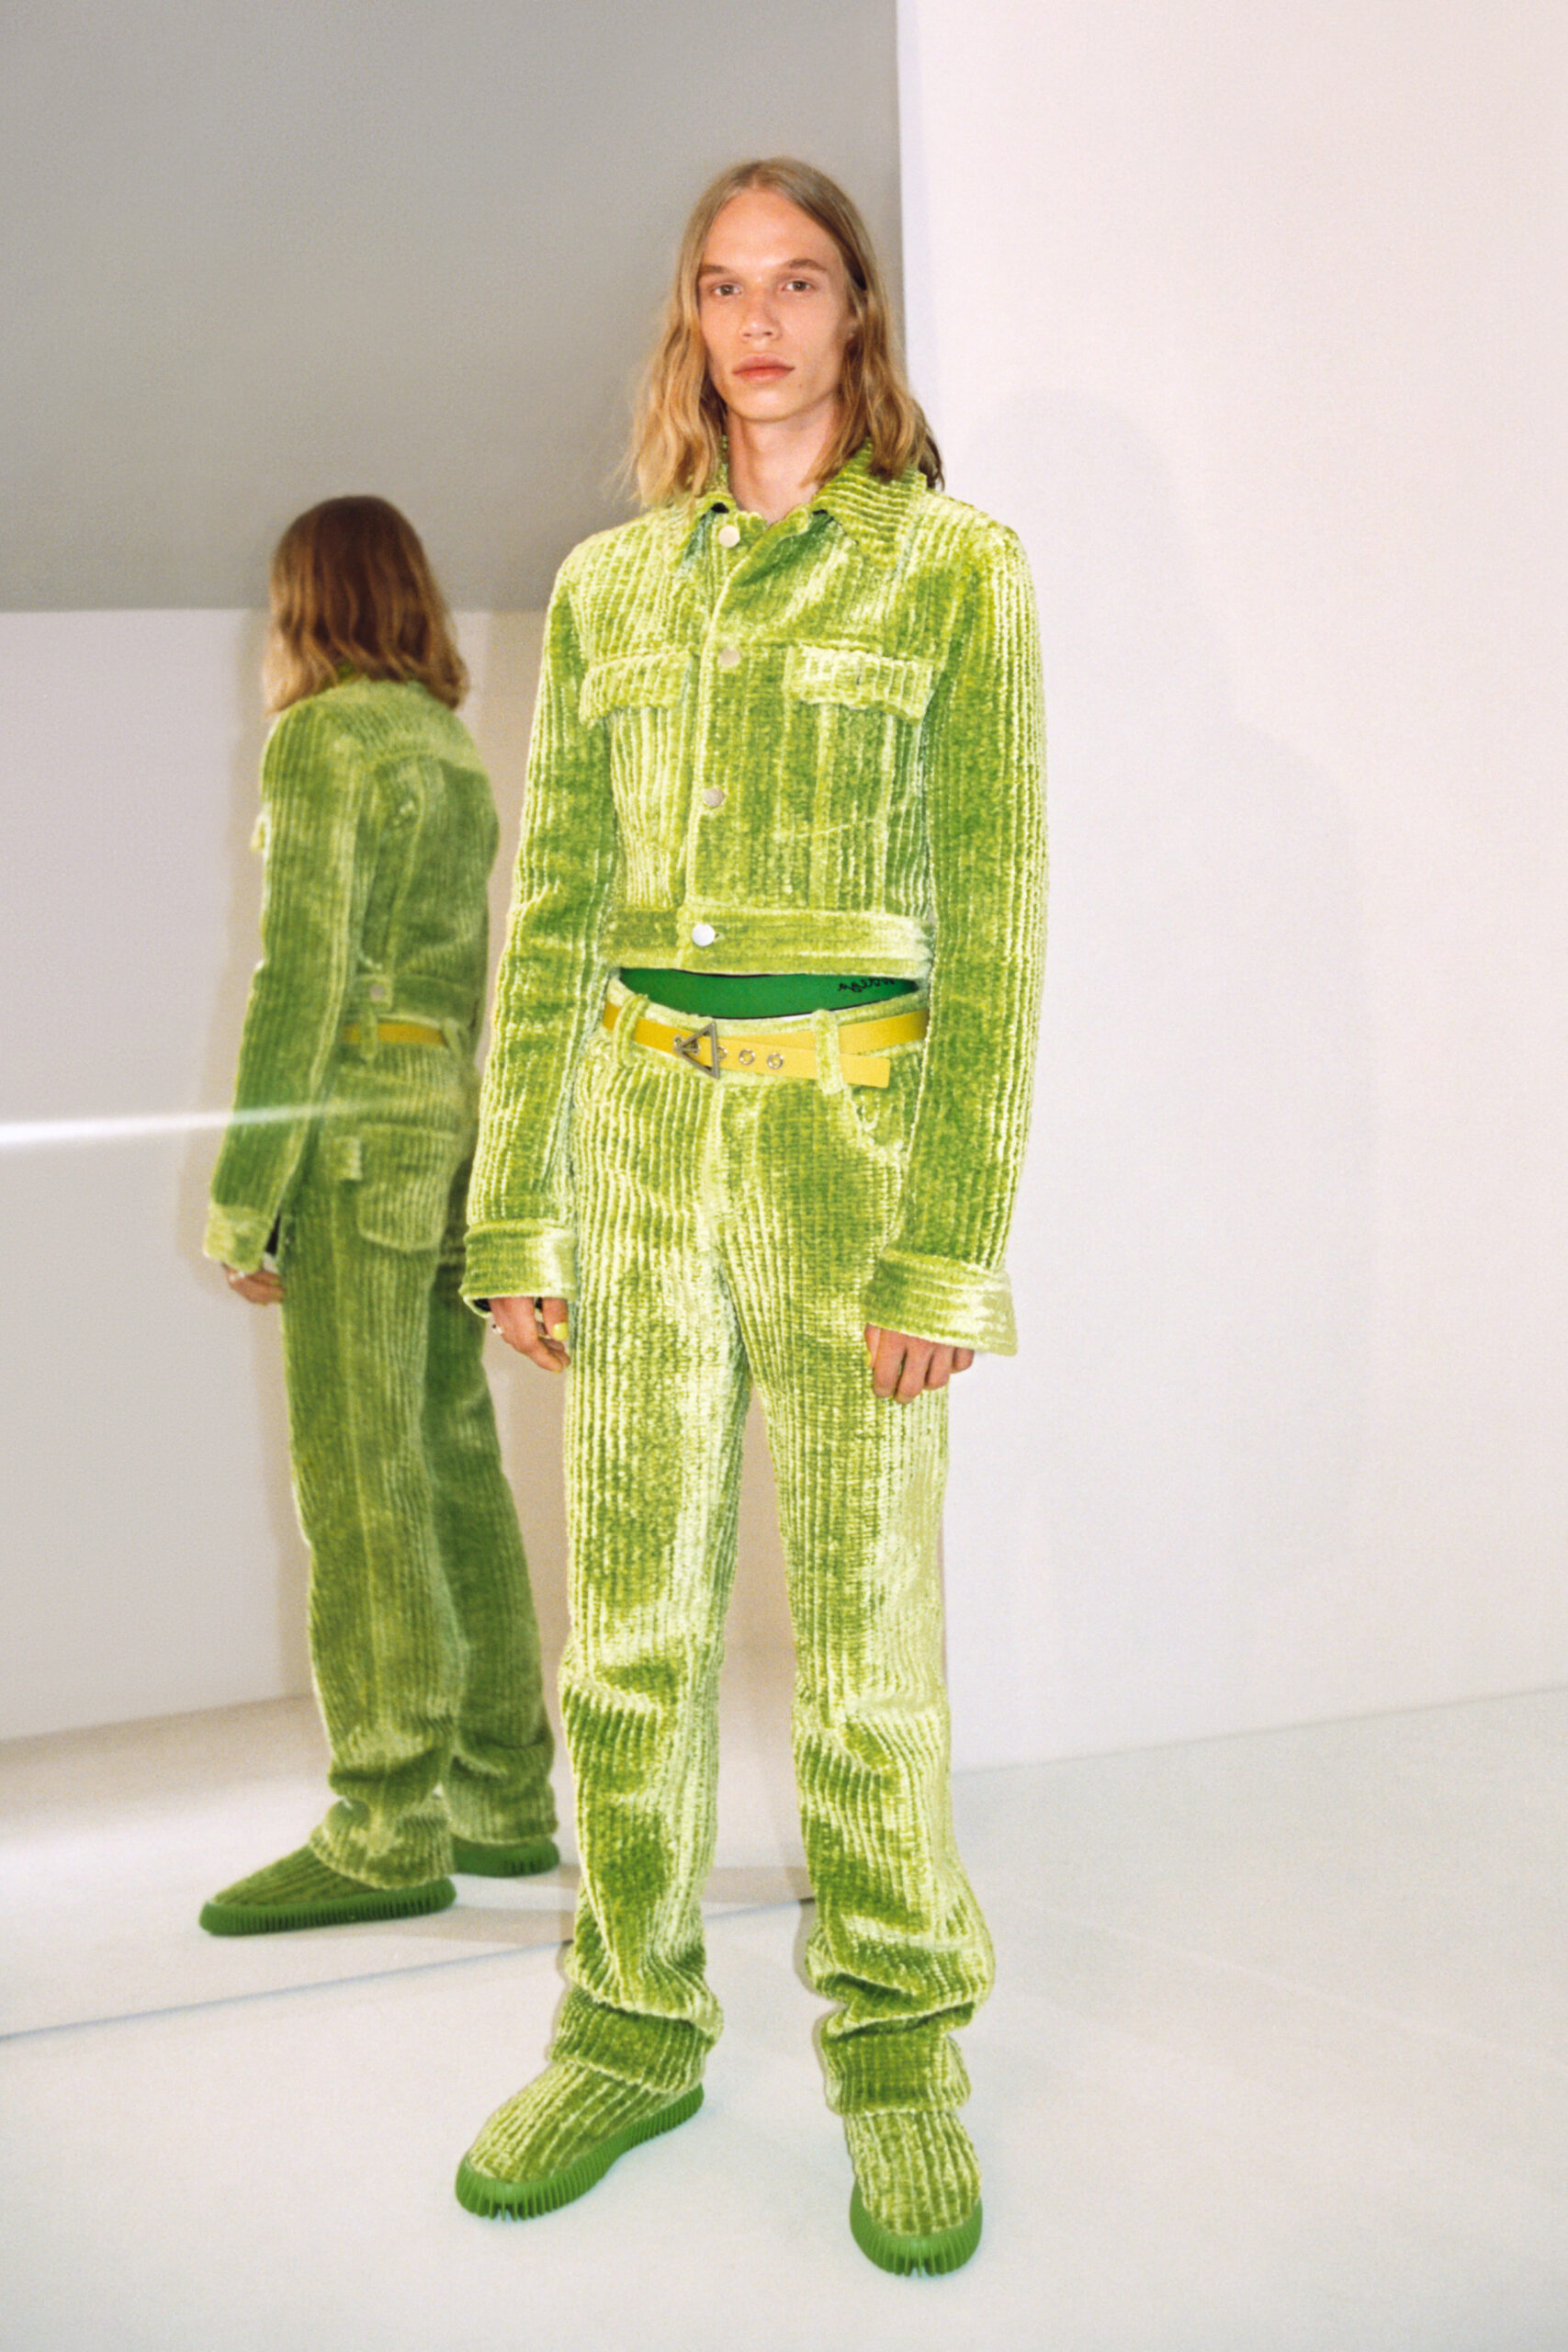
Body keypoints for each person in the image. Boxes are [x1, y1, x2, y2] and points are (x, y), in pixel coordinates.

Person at [457, 160, 1044, 2276]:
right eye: (724, 286)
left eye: (798, 281)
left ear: (853, 314)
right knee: (624, 1629)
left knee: (865, 1642)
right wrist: (516, 1209)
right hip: (632, 1151)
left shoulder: (954, 572)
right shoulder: (609, 589)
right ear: (689, 324)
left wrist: (944, 1243)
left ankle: (897, 2048)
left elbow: (992, 926)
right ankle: (627, 2023)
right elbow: (549, 920)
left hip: (847, 1156)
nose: (760, 320)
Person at [200, 495, 557, 1935]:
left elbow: (300, 978)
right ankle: (504, 1799)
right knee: (453, 1465)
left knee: (361, 1487)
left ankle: (385, 1825)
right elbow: (474, 984)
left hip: (351, 1145)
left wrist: (247, 1194)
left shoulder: (324, 740)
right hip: (443, 1135)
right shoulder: (446, 749)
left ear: (308, 604)